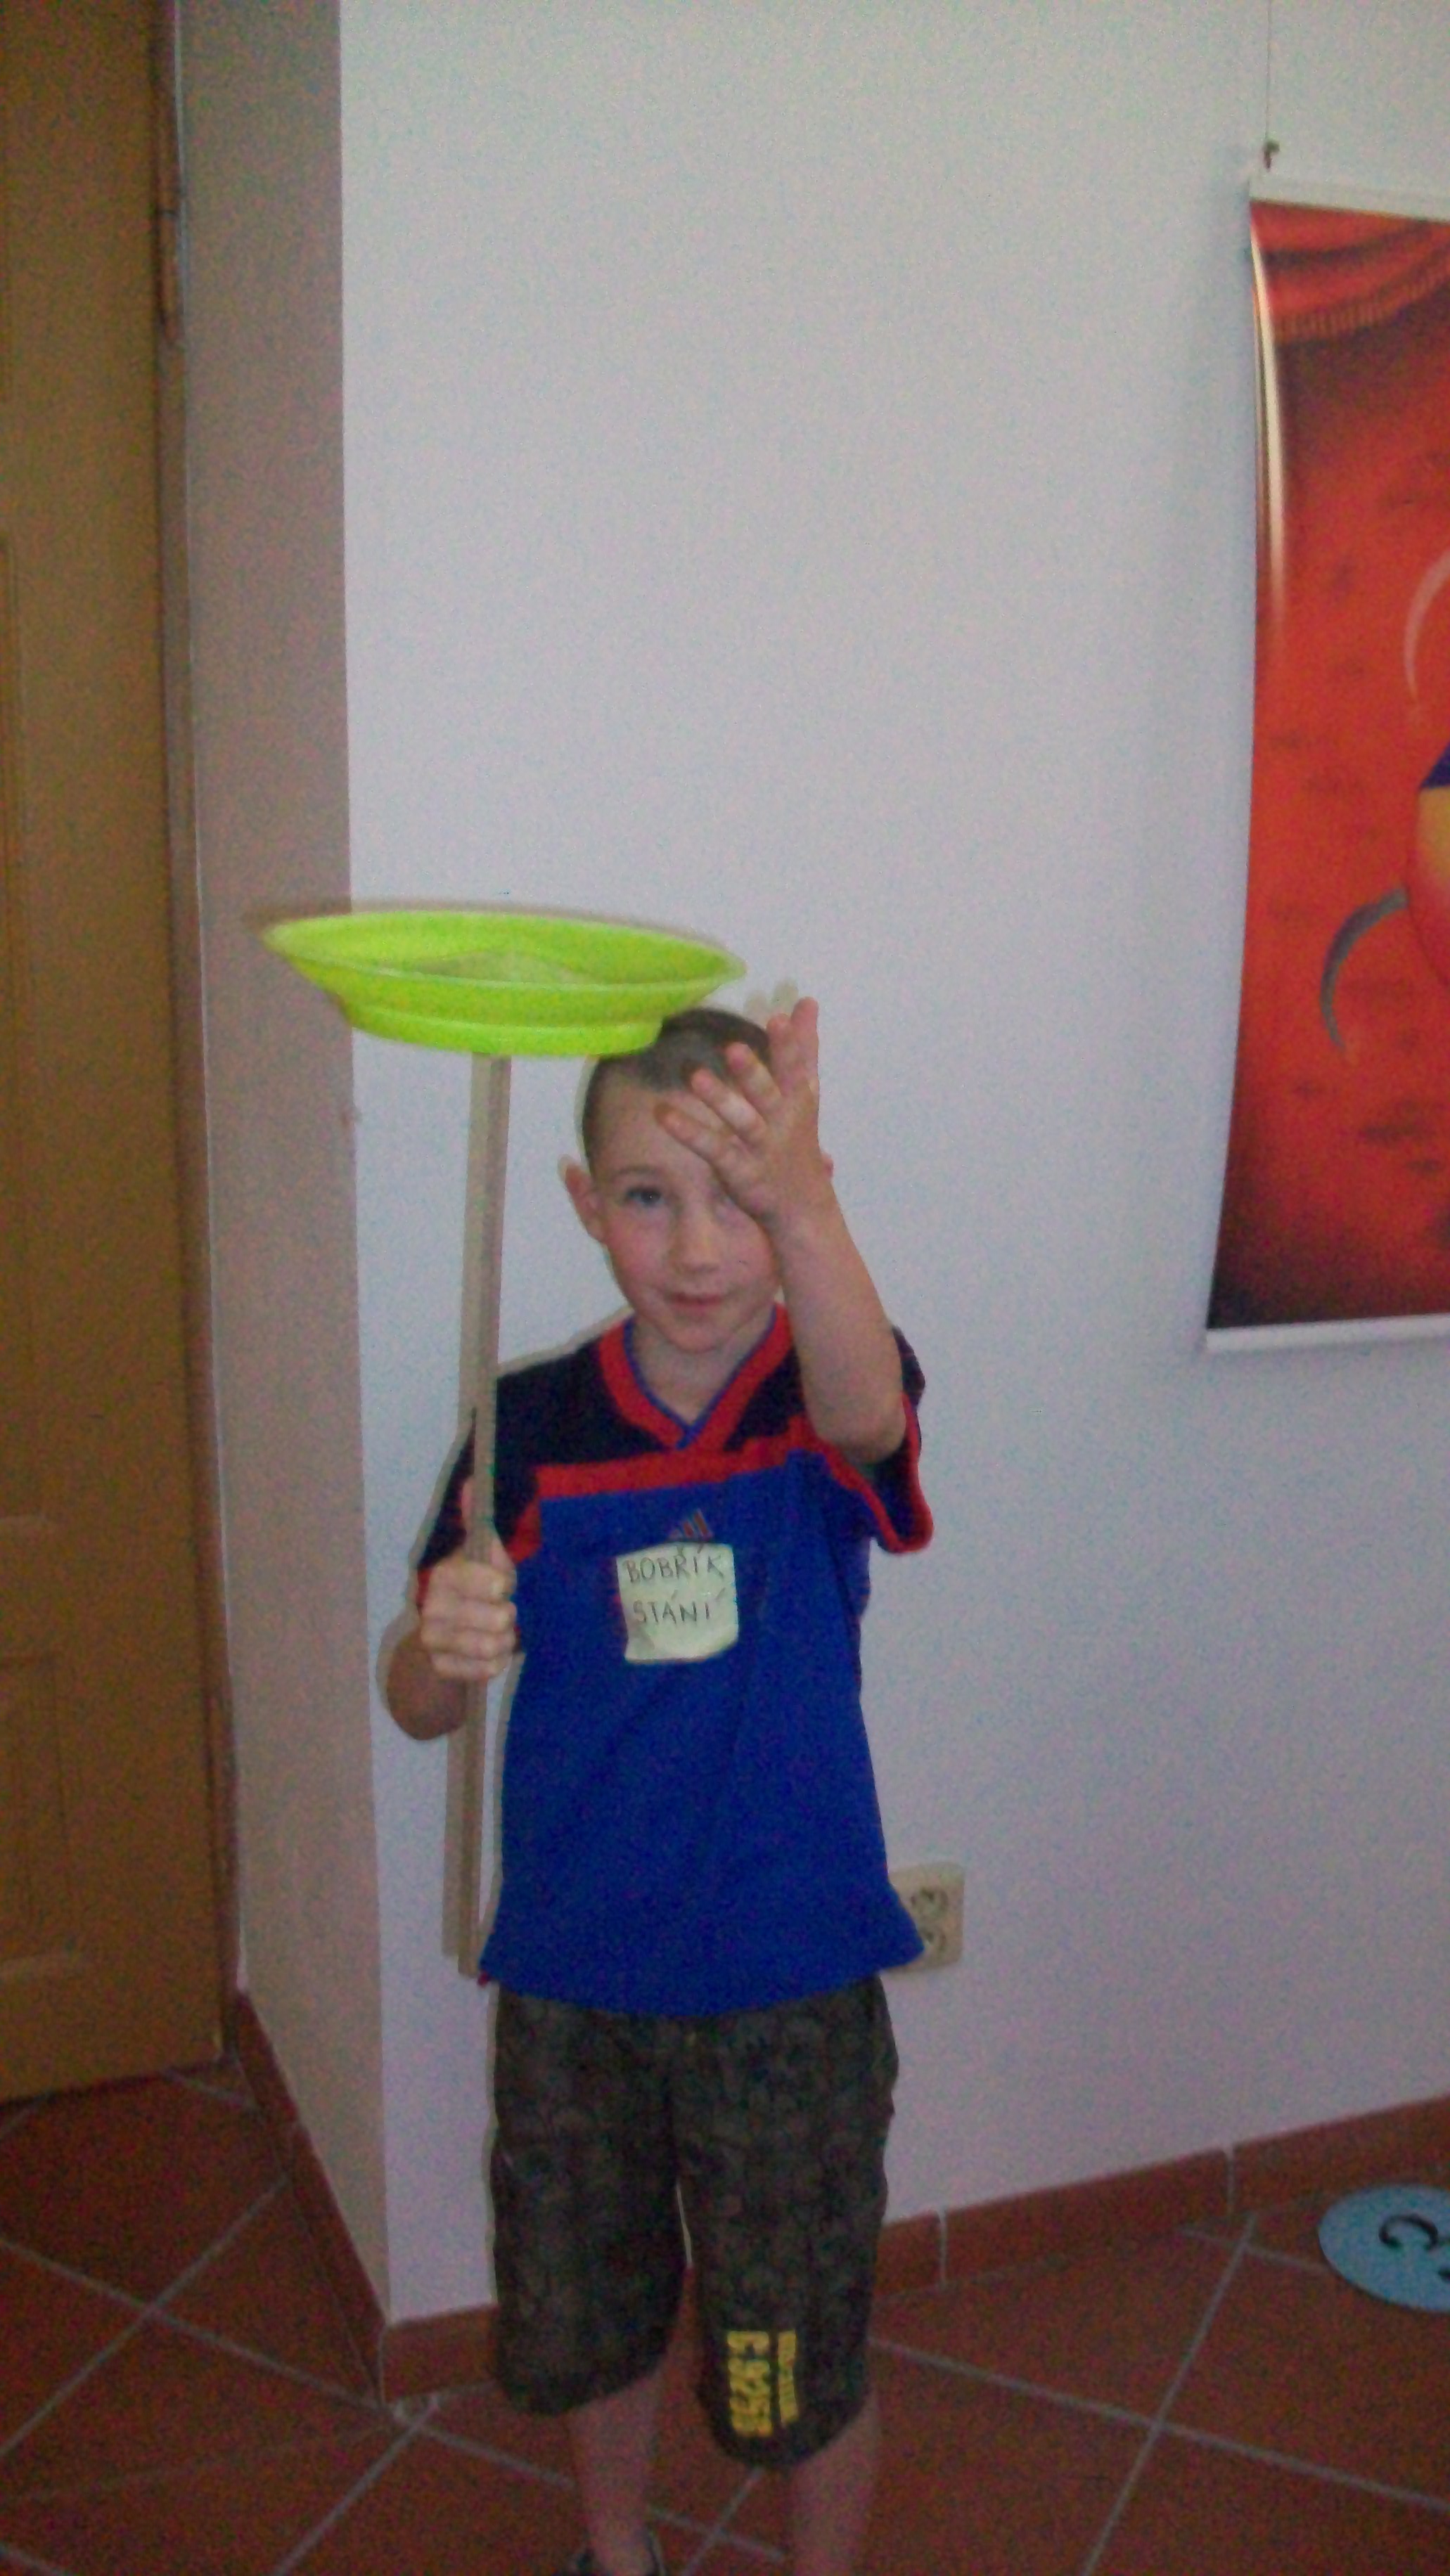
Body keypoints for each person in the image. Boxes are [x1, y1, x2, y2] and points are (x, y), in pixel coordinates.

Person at [386, 997, 932, 2576]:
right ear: (583, 1203)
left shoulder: (813, 1388)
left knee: (786, 2354)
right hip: (576, 1985)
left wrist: (802, 1201)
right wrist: (438, 1648)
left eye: (737, 1200)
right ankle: (615, 2546)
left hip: (786, 1982)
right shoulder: (528, 1428)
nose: (696, 1250)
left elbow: (870, 1415)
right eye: (647, 1196)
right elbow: (418, 1703)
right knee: (589, 2318)